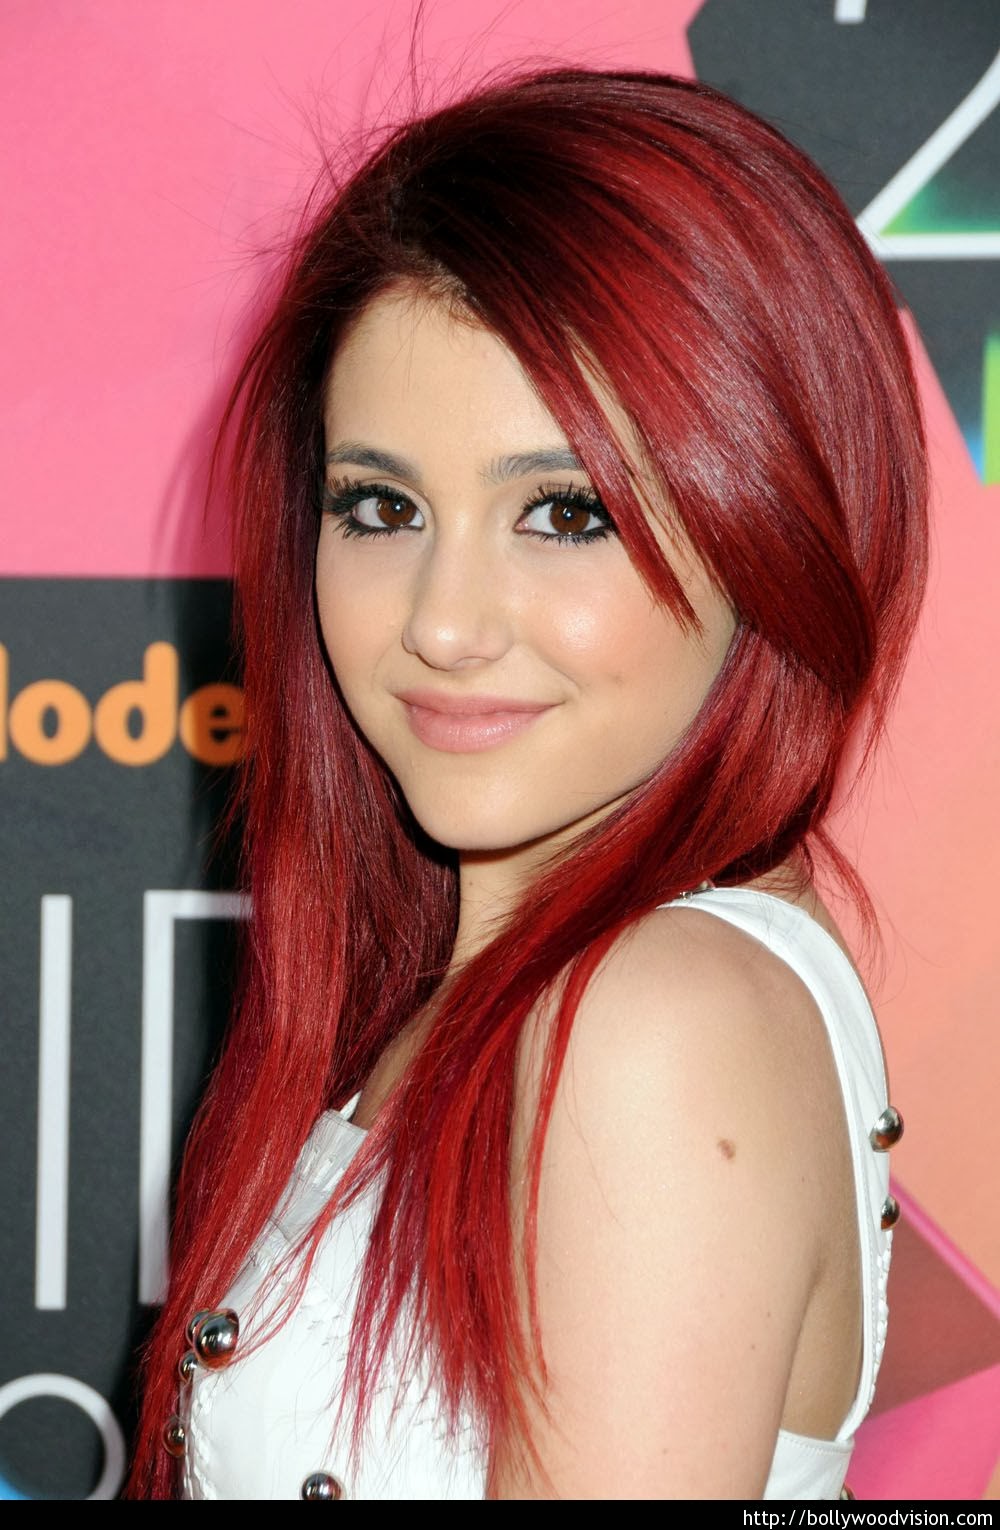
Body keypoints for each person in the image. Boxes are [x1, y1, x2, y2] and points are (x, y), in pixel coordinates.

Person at [129, 67, 927, 1500]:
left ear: (767, 528)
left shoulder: (650, 1020)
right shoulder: (525, 984)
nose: (442, 624)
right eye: (382, 506)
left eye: (564, 513)